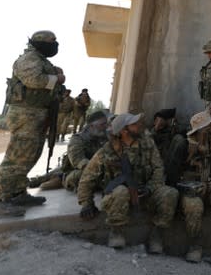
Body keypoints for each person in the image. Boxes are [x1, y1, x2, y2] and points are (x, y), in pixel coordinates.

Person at [0, 30, 64, 219]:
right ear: (40, 42)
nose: (55, 45)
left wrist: (56, 74)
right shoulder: (29, 58)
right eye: (51, 41)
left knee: (30, 156)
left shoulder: (41, 60)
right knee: (16, 158)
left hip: (37, 114)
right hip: (25, 114)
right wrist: (57, 78)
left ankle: (17, 193)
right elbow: (35, 80)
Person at [78, 113, 179, 252]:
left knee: (170, 193)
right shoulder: (108, 150)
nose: (140, 125)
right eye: (134, 124)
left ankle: (157, 233)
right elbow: (87, 178)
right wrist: (86, 203)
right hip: (119, 197)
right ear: (124, 130)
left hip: (144, 193)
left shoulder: (148, 144)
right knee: (121, 191)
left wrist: (150, 188)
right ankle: (117, 231)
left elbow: (158, 169)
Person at [176, 111, 211, 270]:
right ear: (199, 130)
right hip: (191, 188)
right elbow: (174, 171)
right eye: (207, 126)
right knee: (194, 208)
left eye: (210, 125)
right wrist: (191, 156)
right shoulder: (184, 145)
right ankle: (196, 245)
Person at [34, 110, 109, 191]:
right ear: (91, 126)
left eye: (106, 124)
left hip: (96, 168)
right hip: (77, 169)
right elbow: (78, 161)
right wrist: (100, 169)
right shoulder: (77, 139)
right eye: (102, 125)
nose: (106, 127)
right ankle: (61, 179)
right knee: (86, 176)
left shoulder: (105, 137)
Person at [150, 108, 187, 186]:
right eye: (157, 119)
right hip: (155, 164)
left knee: (179, 139)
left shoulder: (172, 130)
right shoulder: (154, 132)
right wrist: (156, 127)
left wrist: (173, 125)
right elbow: (150, 140)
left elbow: (184, 131)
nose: (158, 121)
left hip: (168, 165)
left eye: (161, 119)